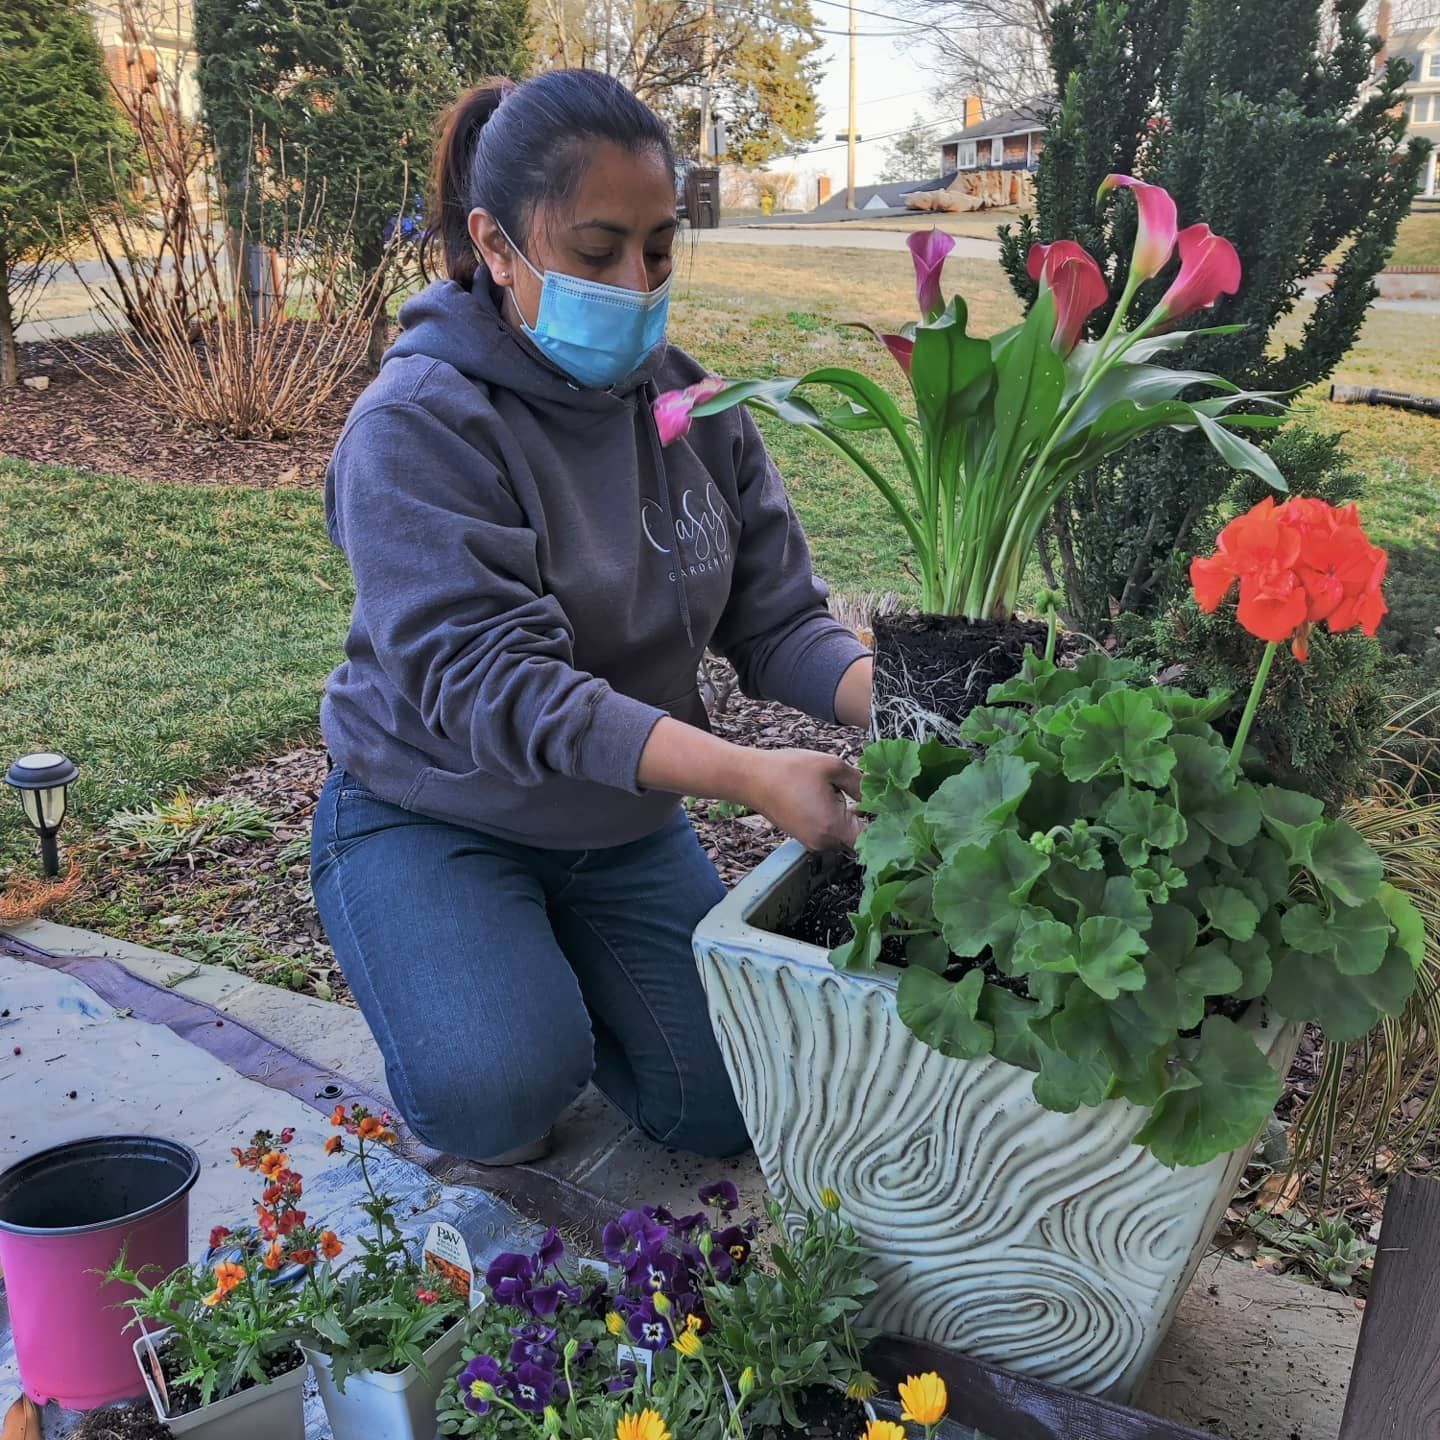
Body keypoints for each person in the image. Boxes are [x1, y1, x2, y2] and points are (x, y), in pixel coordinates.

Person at [310, 68, 873, 1167]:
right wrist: (752, 775)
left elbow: (779, 625)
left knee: (732, 1111)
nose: (637, 281)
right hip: (437, 808)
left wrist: (907, 703)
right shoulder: (419, 425)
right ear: (497, 243)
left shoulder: (690, 410)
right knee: (500, 1097)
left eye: (661, 248)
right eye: (597, 248)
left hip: (616, 826)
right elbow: (497, 687)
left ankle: (550, 960)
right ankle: (484, 970)